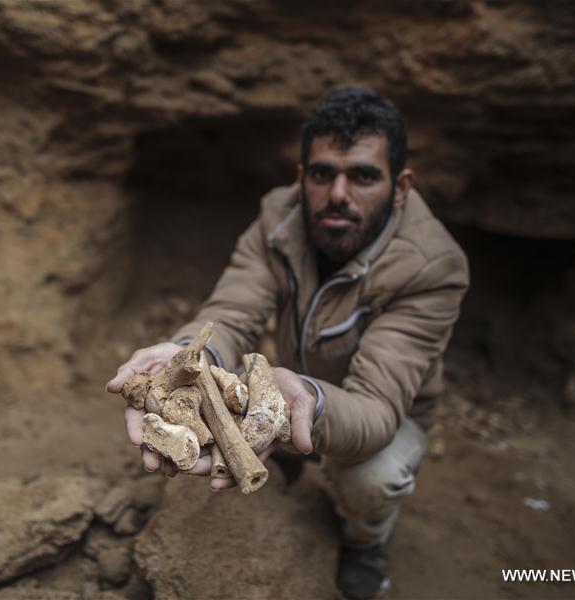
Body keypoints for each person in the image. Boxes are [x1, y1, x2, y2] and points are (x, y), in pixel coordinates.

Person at [106, 85, 469, 600]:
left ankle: (366, 541)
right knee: (264, 426)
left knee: (374, 478)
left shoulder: (435, 268)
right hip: (283, 383)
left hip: (380, 410)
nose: (338, 194)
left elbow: (375, 407)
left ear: (401, 186)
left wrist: (306, 401)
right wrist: (189, 357)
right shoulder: (278, 218)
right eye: (323, 174)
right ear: (303, 178)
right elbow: (232, 313)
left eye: (363, 175)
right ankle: (288, 445)